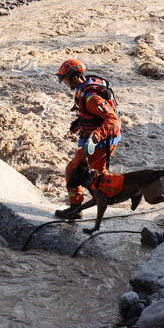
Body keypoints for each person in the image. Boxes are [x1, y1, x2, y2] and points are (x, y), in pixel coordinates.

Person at [54, 58, 122, 219]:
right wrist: (79, 122)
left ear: (73, 77)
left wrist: (96, 136)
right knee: (75, 170)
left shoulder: (91, 97)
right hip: (92, 139)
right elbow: (92, 114)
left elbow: (112, 119)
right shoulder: (84, 89)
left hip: (102, 141)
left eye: (65, 80)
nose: (65, 84)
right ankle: (76, 207)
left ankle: (122, 195)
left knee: (94, 179)